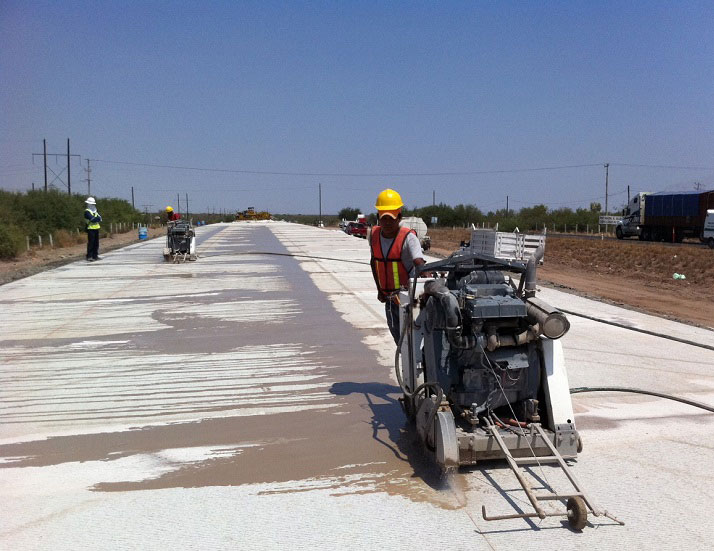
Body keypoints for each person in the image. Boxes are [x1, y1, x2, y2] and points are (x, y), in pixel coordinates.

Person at [370, 188, 426, 344]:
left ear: (399, 217)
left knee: (413, 343)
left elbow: (419, 262)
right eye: (384, 218)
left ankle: (420, 366)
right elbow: (374, 262)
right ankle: (405, 366)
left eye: (391, 218)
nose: (387, 222)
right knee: (400, 342)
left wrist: (428, 279)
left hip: (409, 301)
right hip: (389, 299)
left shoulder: (409, 237)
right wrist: (379, 290)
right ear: (378, 217)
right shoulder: (373, 236)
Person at [84, 197, 102, 261]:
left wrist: (96, 219)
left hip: (96, 228)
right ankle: (89, 256)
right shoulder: (87, 212)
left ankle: (95, 255)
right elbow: (93, 219)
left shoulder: (95, 210)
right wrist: (97, 219)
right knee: (91, 243)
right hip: (90, 229)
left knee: (96, 243)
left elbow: (100, 218)